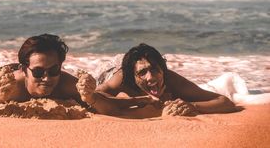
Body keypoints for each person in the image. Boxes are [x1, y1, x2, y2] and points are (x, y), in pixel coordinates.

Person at [76, 43, 237, 118]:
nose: (151, 77)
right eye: (143, 73)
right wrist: (141, 100)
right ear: (133, 76)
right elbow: (96, 98)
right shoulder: (122, 79)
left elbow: (225, 102)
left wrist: (191, 105)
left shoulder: (170, 79)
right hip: (109, 70)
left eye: (155, 69)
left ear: (162, 69)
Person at [0, 34, 86, 114]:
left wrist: (91, 97)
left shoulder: (66, 83)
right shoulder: (12, 85)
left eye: (53, 70)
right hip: (5, 72)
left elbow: (106, 106)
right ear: (24, 70)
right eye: (38, 72)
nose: (47, 77)